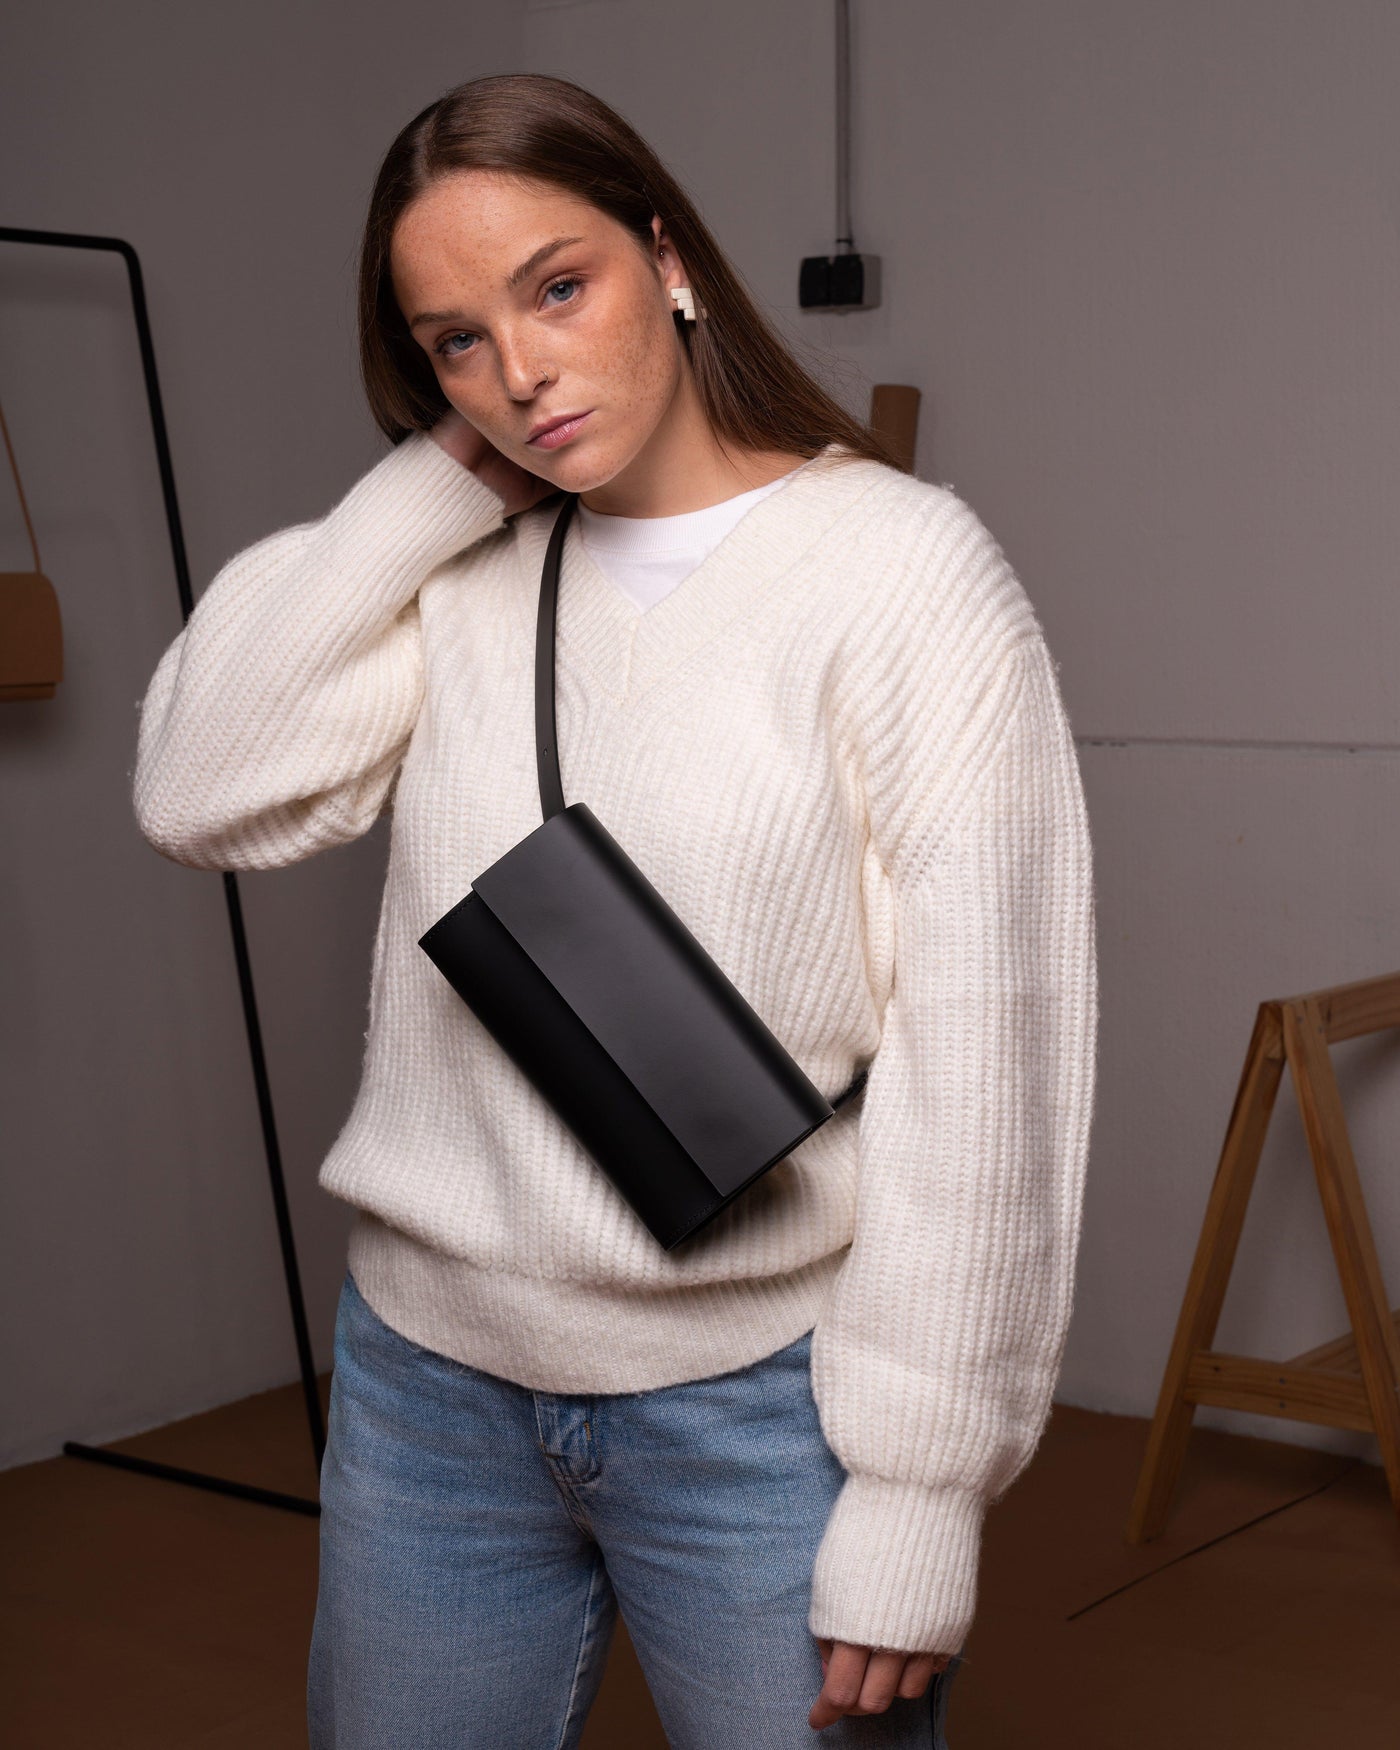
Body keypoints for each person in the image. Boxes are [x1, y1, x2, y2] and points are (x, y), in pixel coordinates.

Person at [131, 71, 1098, 1750]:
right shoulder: (459, 572)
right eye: (456, 341)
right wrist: (434, 487)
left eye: (557, 288)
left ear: (669, 257)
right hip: (426, 1383)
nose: (520, 371)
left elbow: (986, 1058)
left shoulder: (903, 572)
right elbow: (195, 784)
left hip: (758, 1405)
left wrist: (922, 1487)